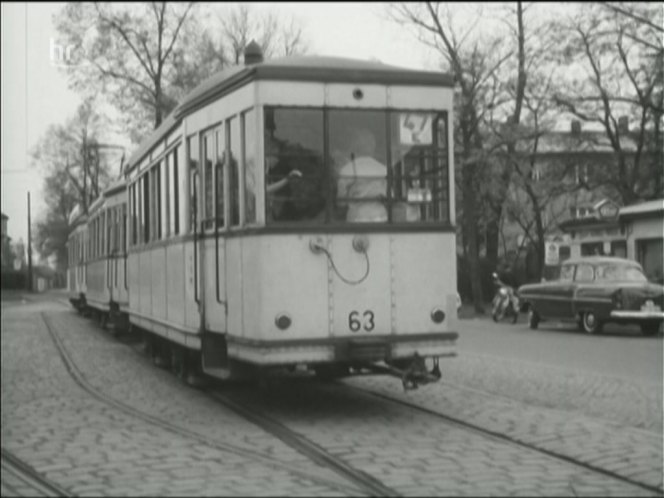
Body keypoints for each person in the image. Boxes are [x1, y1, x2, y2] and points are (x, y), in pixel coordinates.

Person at [336, 128, 388, 222]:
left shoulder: (346, 170)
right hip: (381, 216)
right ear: (373, 147)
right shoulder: (383, 169)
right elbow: (389, 196)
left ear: (354, 146)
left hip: (357, 217)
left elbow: (341, 202)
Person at [265, 135, 302, 220]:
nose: (277, 161)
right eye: (276, 157)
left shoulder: (271, 170)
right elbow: (263, 190)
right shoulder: (257, 166)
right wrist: (287, 179)